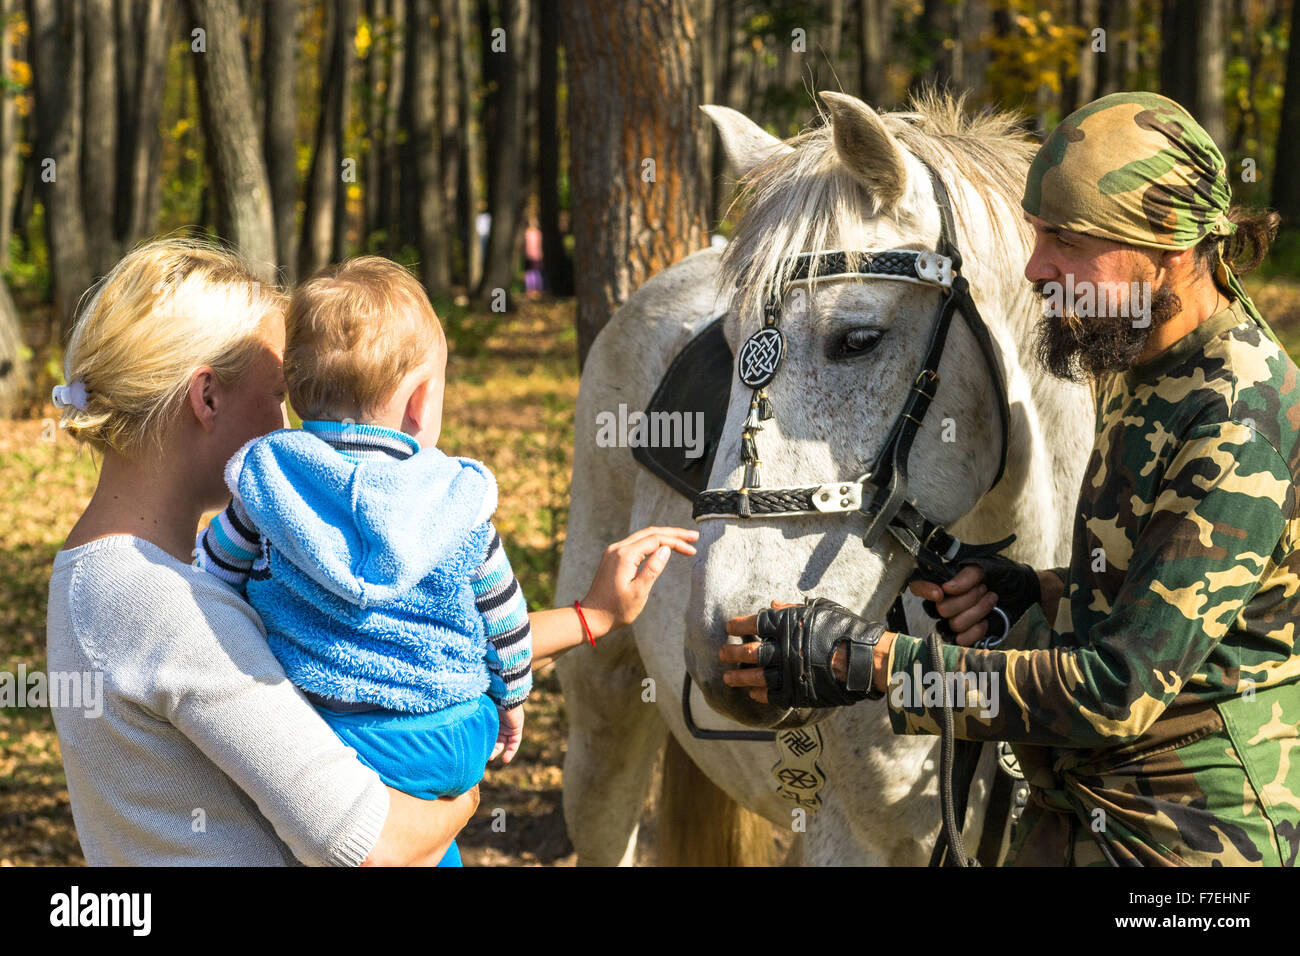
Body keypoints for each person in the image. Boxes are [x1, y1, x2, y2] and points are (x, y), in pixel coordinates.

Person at [721, 91, 1300, 866]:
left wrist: (875, 665)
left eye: (1067, 240)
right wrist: (1035, 591)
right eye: (1037, 235)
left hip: (1189, 847)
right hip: (1090, 814)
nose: (1036, 268)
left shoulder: (1238, 418)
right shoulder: (1148, 359)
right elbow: (1162, 593)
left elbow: (1116, 692)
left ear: (1165, 245)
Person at [46, 237, 698, 866]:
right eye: (280, 394)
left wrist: (592, 617)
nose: (293, 424)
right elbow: (376, 845)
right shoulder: (168, 608)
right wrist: (462, 794)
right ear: (207, 397)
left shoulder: (111, 577)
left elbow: (388, 640)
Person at [194, 257, 531, 866]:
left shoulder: (270, 484)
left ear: (295, 393)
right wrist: (511, 700)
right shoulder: (452, 499)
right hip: (453, 733)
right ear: (420, 402)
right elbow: (504, 618)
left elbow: (213, 581)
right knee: (432, 843)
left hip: (333, 737)